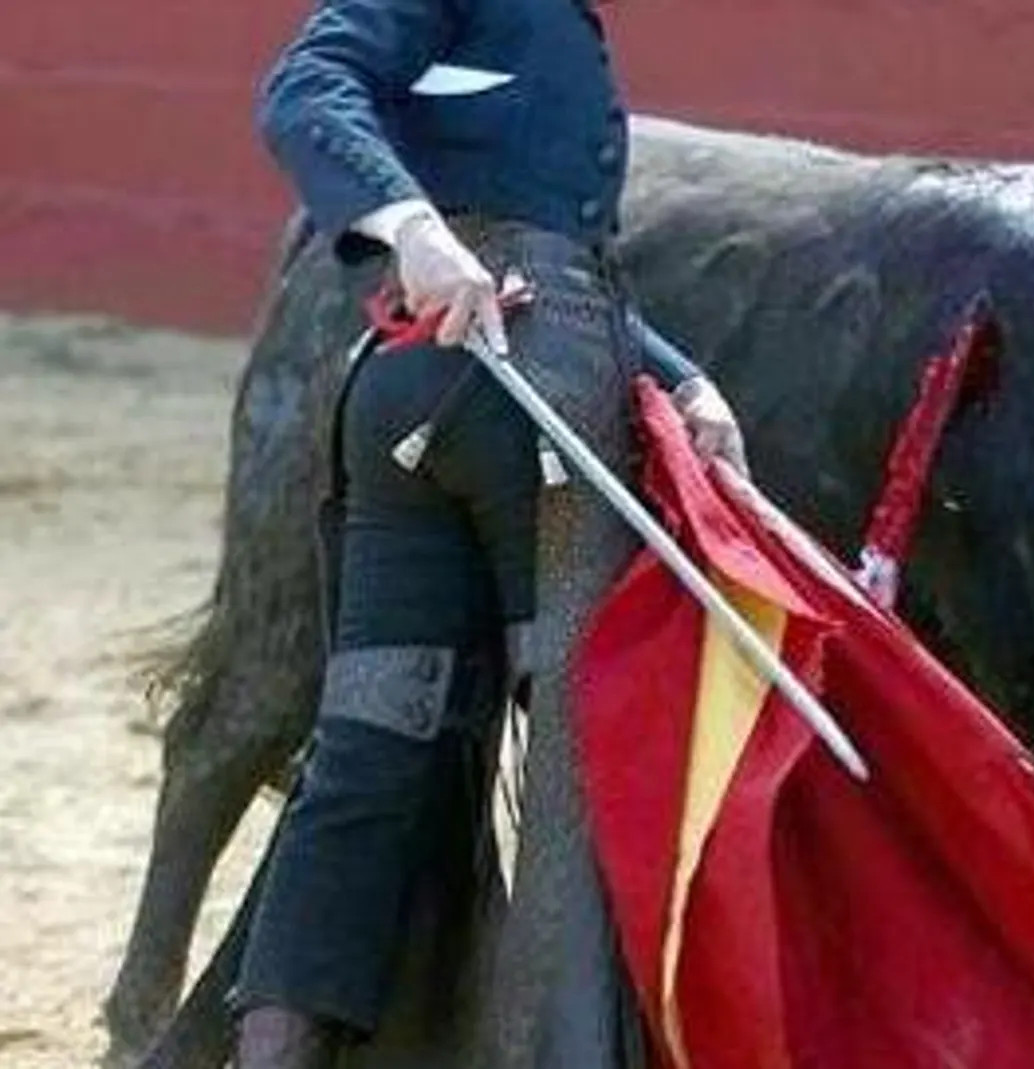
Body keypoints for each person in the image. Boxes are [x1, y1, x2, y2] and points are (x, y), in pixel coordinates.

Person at [227, 1, 749, 1065]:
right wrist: (412, 227)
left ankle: (272, 1053)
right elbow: (304, 86)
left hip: (410, 392)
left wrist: (683, 379)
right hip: (531, 407)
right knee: (577, 771)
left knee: (373, 744)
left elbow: (548, 273)